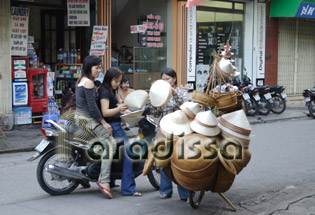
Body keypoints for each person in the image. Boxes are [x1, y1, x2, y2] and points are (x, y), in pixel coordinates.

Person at [75, 55, 116, 199]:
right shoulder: (89, 84)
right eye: (96, 67)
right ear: (88, 68)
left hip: (79, 119)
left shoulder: (81, 81)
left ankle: (82, 177)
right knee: (110, 144)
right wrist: (104, 123)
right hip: (89, 121)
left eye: (100, 67)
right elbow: (92, 108)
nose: (99, 70)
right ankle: (104, 180)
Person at [98, 67, 142, 197]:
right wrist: (120, 109)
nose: (118, 84)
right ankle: (128, 188)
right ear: (109, 79)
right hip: (113, 126)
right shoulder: (105, 91)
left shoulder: (112, 90)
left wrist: (126, 111)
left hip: (116, 124)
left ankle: (111, 181)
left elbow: (116, 107)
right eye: (116, 81)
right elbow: (105, 112)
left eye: (120, 81)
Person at [149, 68, 190, 201]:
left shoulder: (182, 92)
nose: (165, 81)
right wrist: (154, 106)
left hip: (180, 128)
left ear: (174, 79)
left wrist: (174, 94)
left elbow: (185, 108)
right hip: (164, 129)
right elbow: (156, 114)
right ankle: (165, 190)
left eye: (168, 79)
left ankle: (185, 193)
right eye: (163, 79)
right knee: (163, 160)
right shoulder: (160, 93)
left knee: (181, 161)